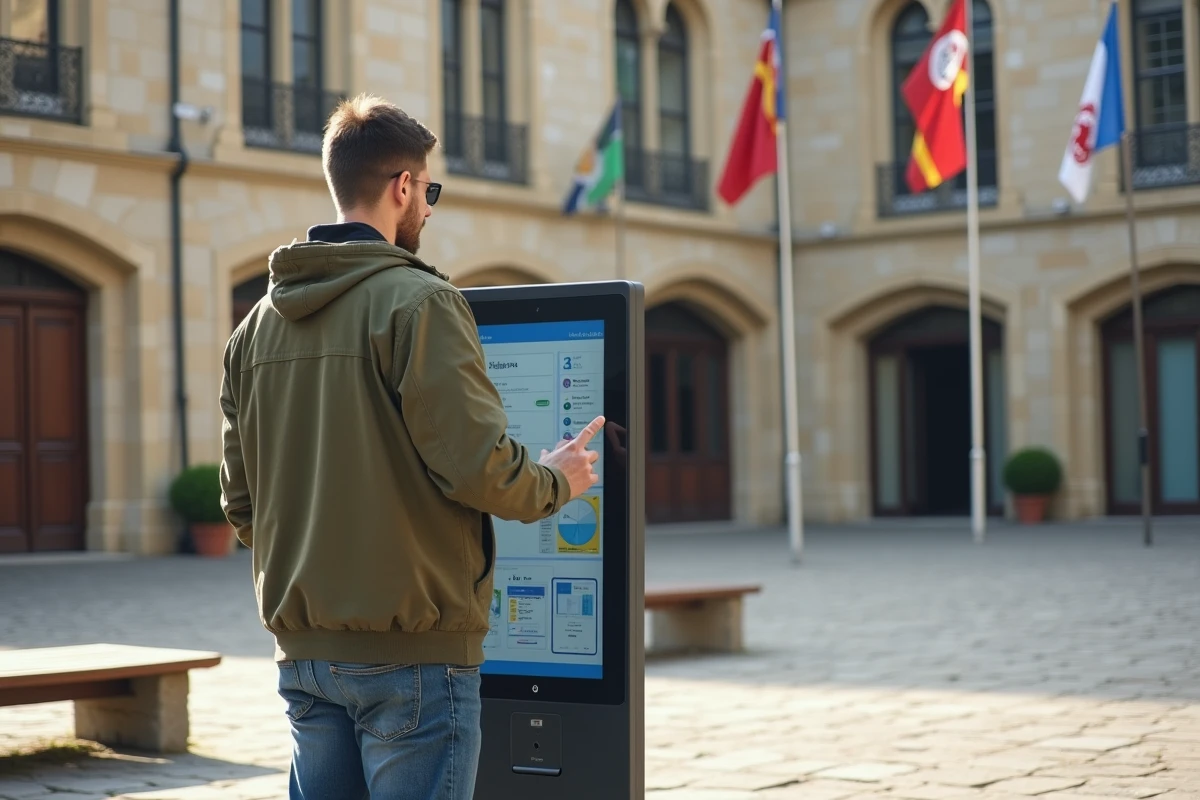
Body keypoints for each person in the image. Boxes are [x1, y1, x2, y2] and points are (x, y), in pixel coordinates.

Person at [218, 94, 603, 800]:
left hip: (303, 656)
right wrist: (557, 480)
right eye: (429, 191)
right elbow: (479, 468)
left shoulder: (255, 327)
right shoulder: (420, 302)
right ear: (403, 186)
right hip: (415, 662)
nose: (428, 208)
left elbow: (242, 506)